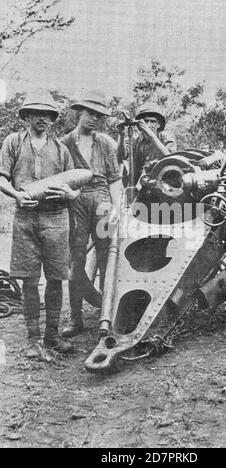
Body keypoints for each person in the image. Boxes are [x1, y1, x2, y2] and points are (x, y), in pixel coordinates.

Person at [0, 89, 79, 358]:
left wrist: (71, 194)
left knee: (56, 279)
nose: (42, 118)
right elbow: (1, 177)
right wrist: (16, 195)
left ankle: (52, 335)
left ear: (52, 118)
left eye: (47, 114)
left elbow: (75, 184)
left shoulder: (61, 149)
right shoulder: (13, 142)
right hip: (25, 218)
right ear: (27, 116)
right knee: (30, 281)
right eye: (37, 113)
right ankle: (33, 339)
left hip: (56, 218)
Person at [61, 89, 122, 338]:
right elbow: (60, 178)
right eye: (90, 113)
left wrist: (116, 208)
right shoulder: (64, 143)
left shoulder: (106, 142)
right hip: (75, 201)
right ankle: (76, 319)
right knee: (75, 260)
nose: (94, 119)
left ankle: (106, 315)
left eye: (99, 115)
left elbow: (115, 179)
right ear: (79, 113)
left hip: (102, 201)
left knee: (107, 257)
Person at [117, 104, 177, 184]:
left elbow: (169, 157)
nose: (148, 125)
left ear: (158, 124)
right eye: (145, 121)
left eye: (153, 121)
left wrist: (150, 133)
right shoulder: (136, 140)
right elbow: (121, 156)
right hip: (141, 184)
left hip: (163, 182)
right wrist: (121, 136)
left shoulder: (166, 138)